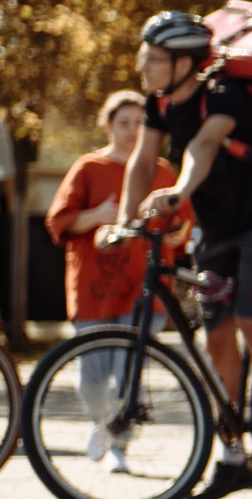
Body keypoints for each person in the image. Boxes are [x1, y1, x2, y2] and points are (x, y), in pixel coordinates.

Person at [122, 11, 252, 483]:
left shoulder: (224, 95)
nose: (143, 66)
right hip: (215, 231)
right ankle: (233, 456)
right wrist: (123, 222)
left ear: (183, 64)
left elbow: (203, 145)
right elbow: (142, 160)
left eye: (152, 58)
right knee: (216, 335)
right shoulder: (158, 104)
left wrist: (178, 193)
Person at [45, 90, 186, 473]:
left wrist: (177, 236)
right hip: (95, 291)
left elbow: (182, 223)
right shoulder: (88, 167)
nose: (132, 130)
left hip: (145, 292)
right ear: (108, 125)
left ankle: (119, 446)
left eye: (140, 122)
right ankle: (101, 423)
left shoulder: (162, 172)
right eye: (124, 123)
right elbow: (59, 222)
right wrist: (98, 215)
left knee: (129, 372)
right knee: (91, 380)